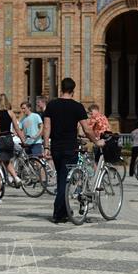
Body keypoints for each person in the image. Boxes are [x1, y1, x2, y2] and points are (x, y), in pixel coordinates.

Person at [43, 78, 105, 224]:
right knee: (64, 181)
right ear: (73, 90)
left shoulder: (51, 105)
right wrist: (96, 141)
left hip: (56, 147)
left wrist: (46, 146)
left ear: (61, 89)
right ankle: (58, 213)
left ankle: (63, 211)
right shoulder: (77, 107)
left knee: (61, 178)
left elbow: (47, 128)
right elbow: (87, 128)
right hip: (70, 148)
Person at [0, 94, 25, 187]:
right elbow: (17, 128)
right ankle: (16, 177)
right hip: (9, 138)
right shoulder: (11, 113)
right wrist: (23, 140)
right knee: (7, 160)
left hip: (0, 138)